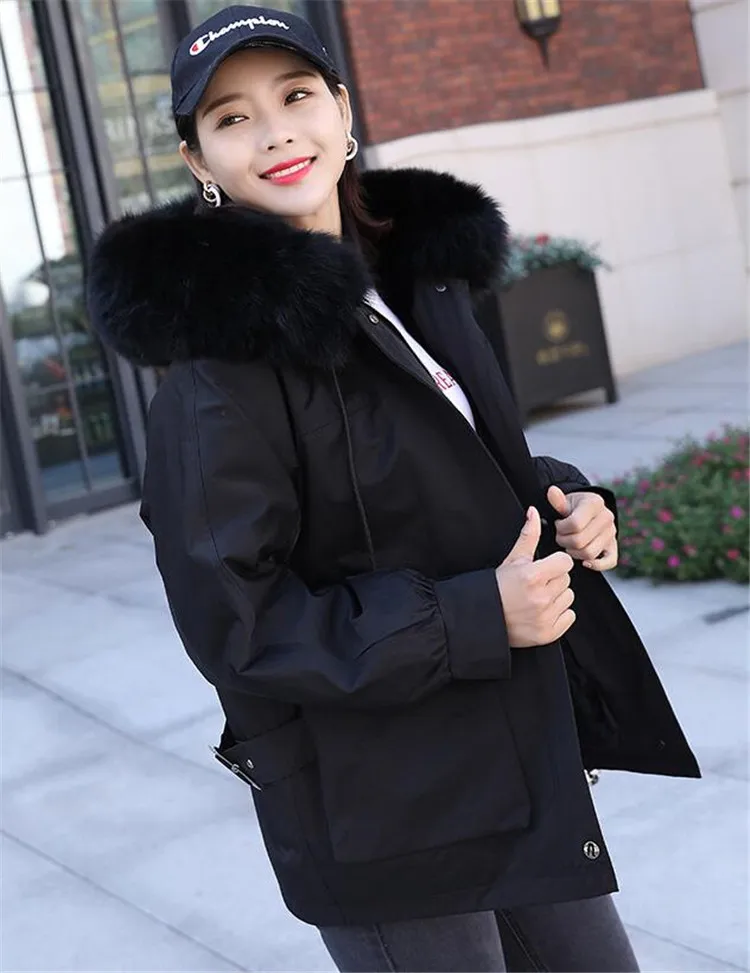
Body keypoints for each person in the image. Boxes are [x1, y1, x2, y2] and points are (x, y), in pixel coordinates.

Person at [87, 6, 700, 971]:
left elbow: (456, 473)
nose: (275, 132)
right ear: (198, 160)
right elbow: (235, 623)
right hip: (384, 809)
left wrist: (571, 504)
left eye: (295, 96)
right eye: (232, 117)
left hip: (508, 755)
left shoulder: (414, 286)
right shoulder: (219, 367)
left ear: (342, 109)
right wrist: (476, 615)